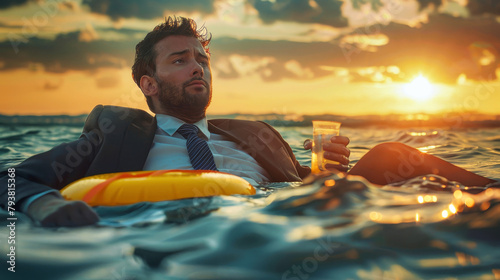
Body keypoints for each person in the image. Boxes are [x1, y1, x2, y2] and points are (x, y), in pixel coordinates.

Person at [0, 16, 495, 227]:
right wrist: (44, 207)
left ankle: (492, 198)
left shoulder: (252, 138)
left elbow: (301, 187)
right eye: (179, 60)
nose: (197, 65)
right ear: (147, 84)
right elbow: (12, 180)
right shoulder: (114, 136)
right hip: (165, 227)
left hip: (274, 219)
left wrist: (327, 174)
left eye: (202, 58)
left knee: (391, 154)